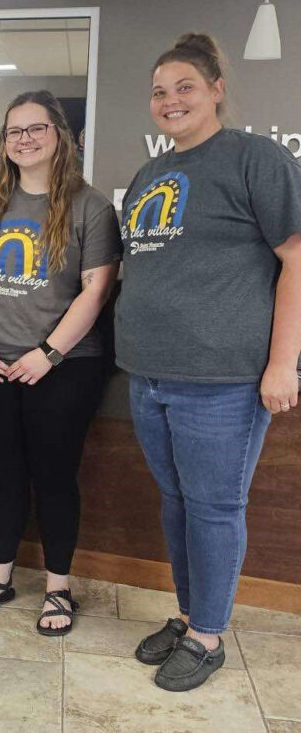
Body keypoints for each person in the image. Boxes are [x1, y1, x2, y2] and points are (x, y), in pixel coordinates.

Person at [119, 34, 301, 692]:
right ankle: (190, 612)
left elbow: (297, 258)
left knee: (215, 507)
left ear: (216, 88)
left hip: (222, 379)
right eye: (160, 91)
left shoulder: (256, 158)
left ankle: (208, 636)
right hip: (148, 375)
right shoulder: (151, 174)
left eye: (185, 87)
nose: (170, 101)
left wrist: (286, 364)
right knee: (177, 503)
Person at [0, 91, 120, 637]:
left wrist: (48, 354)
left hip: (64, 368)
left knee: (53, 476)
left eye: (35, 128)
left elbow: (96, 290)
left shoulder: (90, 205)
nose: (24, 139)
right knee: (4, 472)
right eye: (13, 131)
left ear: (61, 136)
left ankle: (58, 588)